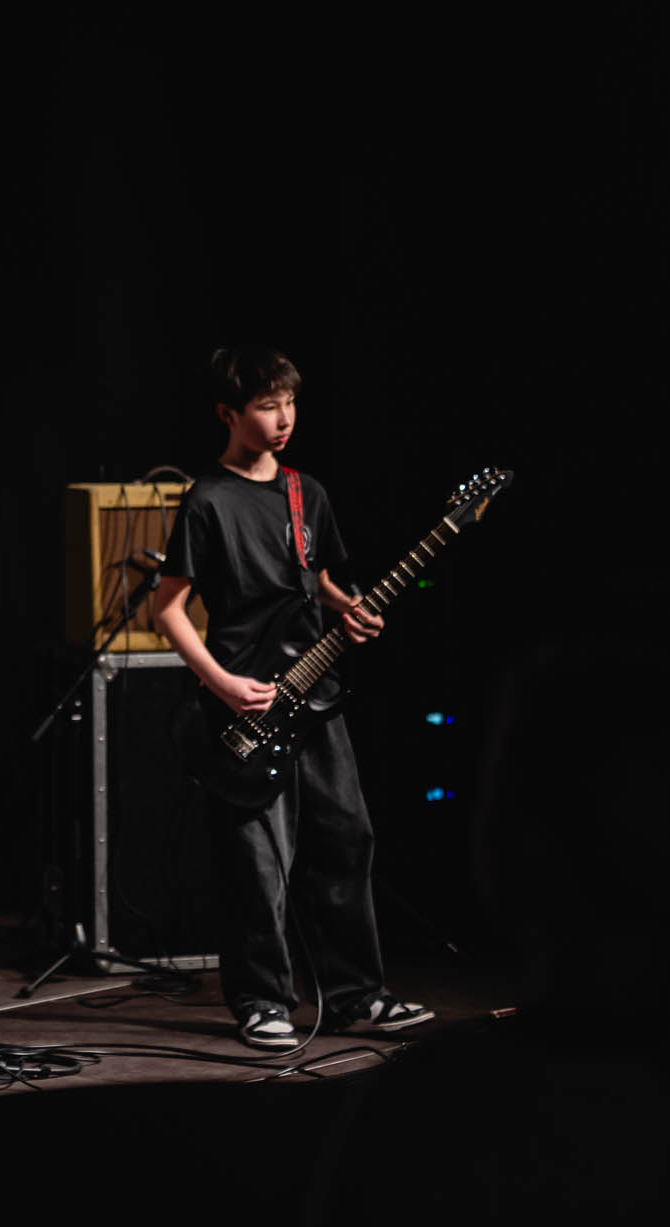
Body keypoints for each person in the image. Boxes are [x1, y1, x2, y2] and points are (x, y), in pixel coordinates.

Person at [150, 345, 432, 1049]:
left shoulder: (308, 492)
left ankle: (355, 996)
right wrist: (220, 681)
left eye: (290, 403)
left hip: (317, 695)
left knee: (346, 840)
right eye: (267, 406)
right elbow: (168, 608)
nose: (284, 419)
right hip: (244, 704)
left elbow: (318, 581)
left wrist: (350, 608)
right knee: (257, 862)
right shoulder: (208, 499)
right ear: (229, 414)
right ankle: (262, 1000)